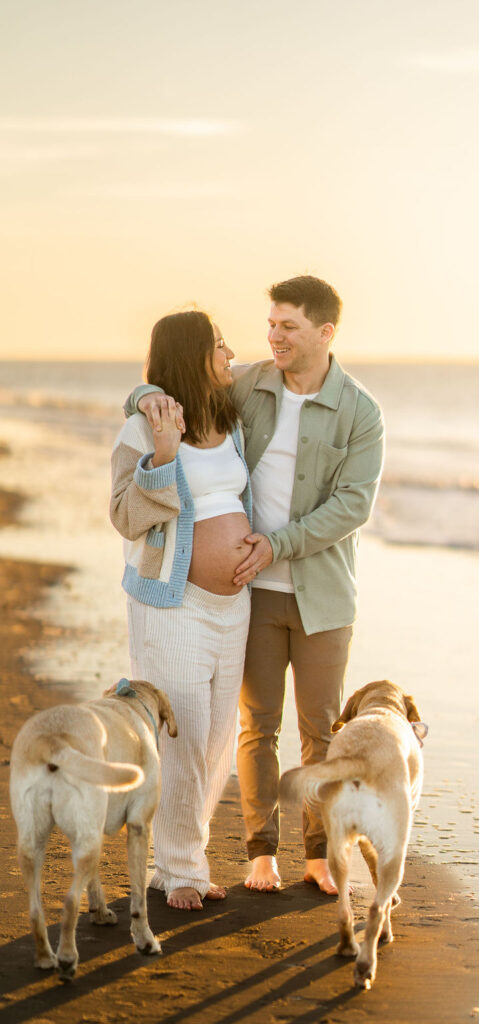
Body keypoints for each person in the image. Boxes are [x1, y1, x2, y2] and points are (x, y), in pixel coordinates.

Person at [125, 276, 384, 894]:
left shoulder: (360, 411)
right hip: (253, 590)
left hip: (322, 592)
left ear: (325, 332)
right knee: (255, 724)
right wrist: (141, 398)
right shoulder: (251, 384)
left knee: (321, 728)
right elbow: (175, 379)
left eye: (288, 326)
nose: (273, 336)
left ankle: (319, 856)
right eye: (271, 324)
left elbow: (353, 504)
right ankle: (259, 852)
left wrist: (278, 542)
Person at [111, 309, 252, 910]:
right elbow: (124, 515)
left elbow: (273, 370)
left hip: (233, 604)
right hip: (173, 604)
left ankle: (178, 862)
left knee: (219, 734)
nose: (230, 352)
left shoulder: (227, 414)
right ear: (193, 353)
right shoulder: (142, 432)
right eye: (219, 344)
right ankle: (180, 867)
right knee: (182, 733)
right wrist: (164, 457)